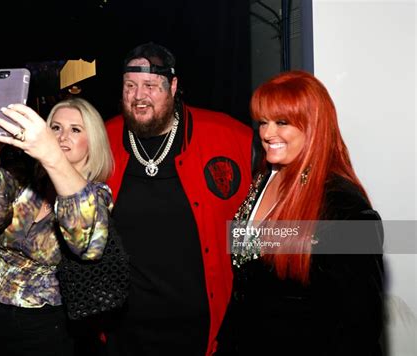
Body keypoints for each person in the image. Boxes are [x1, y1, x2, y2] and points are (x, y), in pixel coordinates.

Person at [216, 70, 385, 355]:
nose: (268, 134)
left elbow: (360, 328)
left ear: (313, 126)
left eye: (282, 122)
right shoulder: (264, 177)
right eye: (263, 122)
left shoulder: (344, 206)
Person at [103, 42, 254, 355]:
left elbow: (271, 217)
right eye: (130, 86)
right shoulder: (101, 139)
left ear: (173, 85)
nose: (138, 97)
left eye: (150, 86)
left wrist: (344, 238)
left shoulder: (229, 137)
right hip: (123, 330)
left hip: (202, 331)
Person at [0, 97, 114, 356]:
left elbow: (87, 246)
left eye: (75, 130)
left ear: (93, 141)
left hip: (44, 325)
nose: (62, 136)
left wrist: (53, 158)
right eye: (55, 127)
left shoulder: (96, 195)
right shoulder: (23, 179)